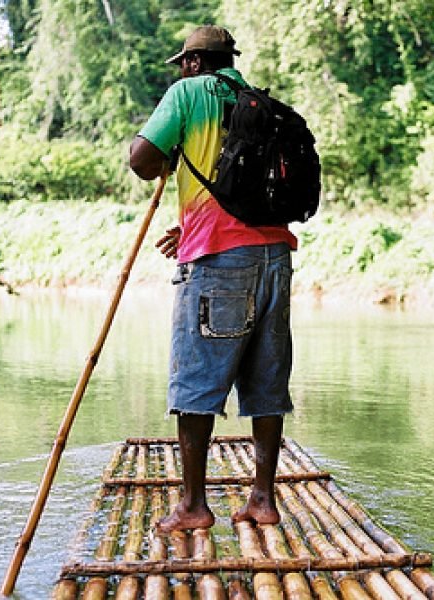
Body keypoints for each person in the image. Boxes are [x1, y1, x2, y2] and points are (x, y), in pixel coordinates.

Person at [129, 25, 297, 532]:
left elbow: (140, 160)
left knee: (196, 383)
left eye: (184, 62)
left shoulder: (188, 93)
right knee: (267, 382)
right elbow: (248, 192)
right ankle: (263, 500)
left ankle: (193, 506)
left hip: (217, 264)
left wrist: (164, 155)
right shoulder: (259, 102)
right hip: (274, 258)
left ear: (197, 62)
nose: (181, 70)